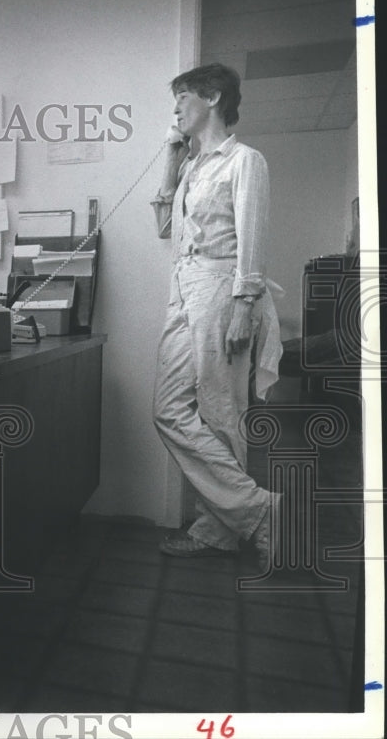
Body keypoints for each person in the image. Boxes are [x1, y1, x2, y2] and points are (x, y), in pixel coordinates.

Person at [150, 64, 283, 573]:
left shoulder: (244, 161)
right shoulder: (193, 166)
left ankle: (219, 529)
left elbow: (253, 234)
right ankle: (259, 510)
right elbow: (165, 227)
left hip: (222, 288)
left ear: (213, 97)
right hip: (183, 287)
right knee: (169, 410)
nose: (176, 109)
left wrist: (245, 304)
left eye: (183, 97)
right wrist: (170, 158)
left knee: (220, 408)